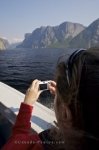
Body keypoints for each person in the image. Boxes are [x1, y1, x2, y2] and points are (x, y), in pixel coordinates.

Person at [2, 48, 99, 150]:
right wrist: (63, 99)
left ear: (65, 113)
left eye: (58, 96)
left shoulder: (36, 145)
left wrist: (27, 104)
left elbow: (17, 140)